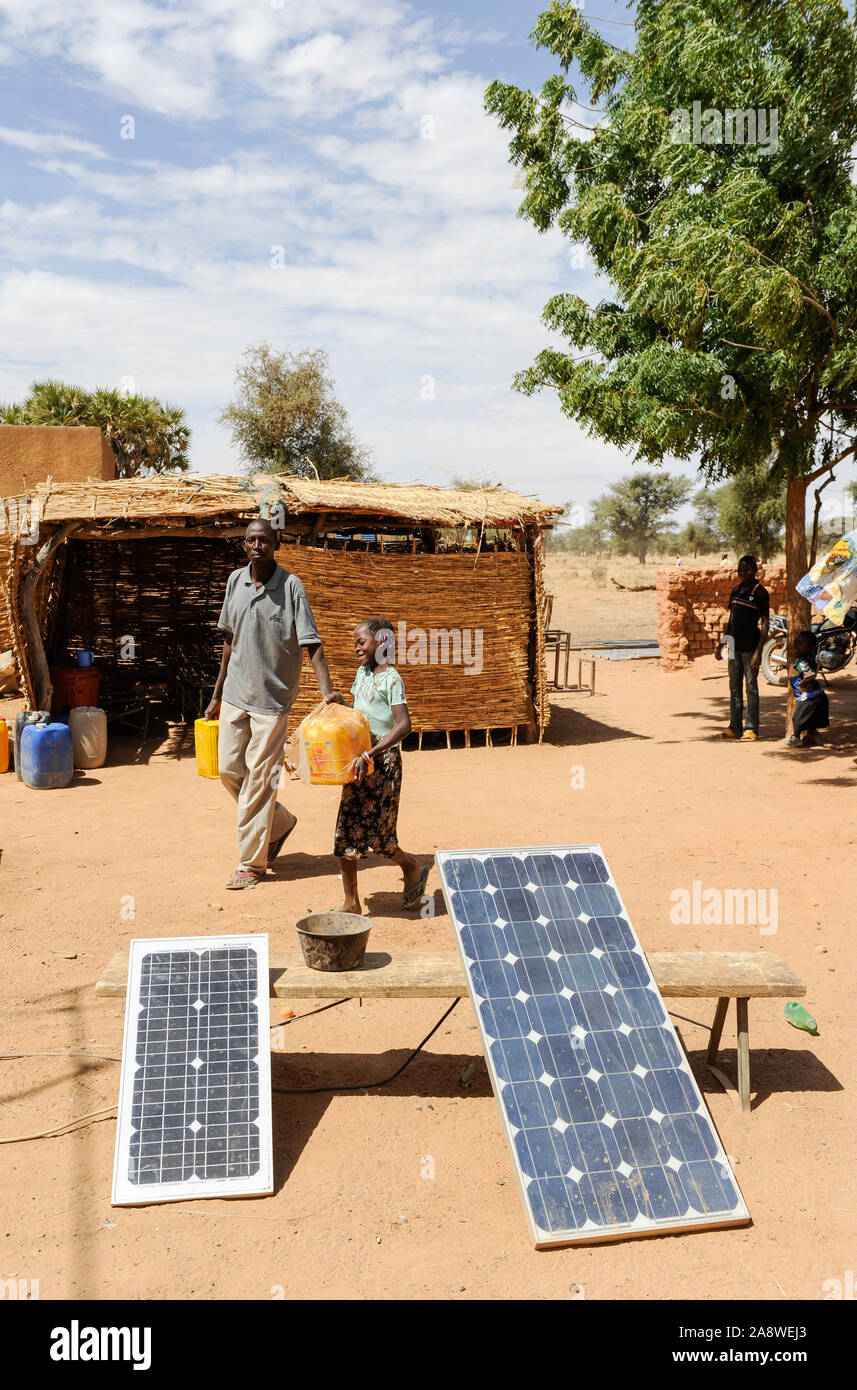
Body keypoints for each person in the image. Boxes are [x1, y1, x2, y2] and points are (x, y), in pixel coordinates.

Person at [205, 518, 337, 889]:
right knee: (230, 770)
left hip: (272, 701)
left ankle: (251, 863)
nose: (257, 546)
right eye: (251, 540)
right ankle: (278, 824)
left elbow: (312, 643)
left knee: (260, 780)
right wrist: (216, 693)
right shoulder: (236, 581)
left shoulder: (292, 587)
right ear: (244, 545)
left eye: (264, 540)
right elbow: (229, 641)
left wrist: (327, 691)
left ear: (275, 543)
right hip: (235, 694)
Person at [325, 618, 428, 915]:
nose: (356, 647)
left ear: (381, 643)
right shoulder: (362, 673)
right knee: (345, 834)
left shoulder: (392, 679)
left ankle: (412, 867)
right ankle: (351, 903)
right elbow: (360, 714)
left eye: (361, 642)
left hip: (383, 764)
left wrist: (374, 750)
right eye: (355, 642)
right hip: (360, 763)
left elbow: (404, 725)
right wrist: (340, 701)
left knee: (379, 838)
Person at [714, 555, 770, 741]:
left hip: (750, 647)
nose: (742, 572)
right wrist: (722, 643)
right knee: (734, 687)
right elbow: (731, 620)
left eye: (746, 569)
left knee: (751, 688)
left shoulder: (761, 593)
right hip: (733, 646)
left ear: (754, 571)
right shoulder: (736, 590)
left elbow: (764, 623)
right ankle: (734, 727)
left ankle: (751, 728)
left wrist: (759, 652)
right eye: (740, 569)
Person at [788, 630, 829, 748]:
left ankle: (795, 738)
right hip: (818, 694)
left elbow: (809, 675)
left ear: (810, 647)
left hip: (808, 697)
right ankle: (811, 735)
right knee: (811, 716)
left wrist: (802, 683)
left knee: (798, 717)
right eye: (795, 642)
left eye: (800, 643)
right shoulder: (810, 657)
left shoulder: (801, 661)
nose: (795, 645)